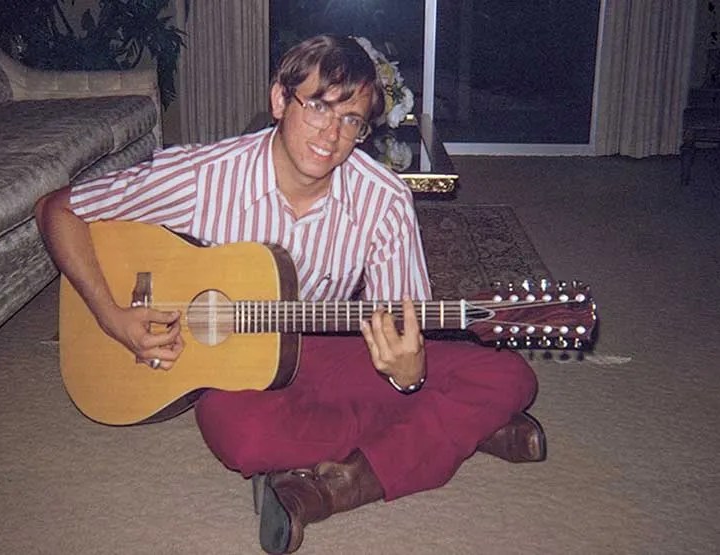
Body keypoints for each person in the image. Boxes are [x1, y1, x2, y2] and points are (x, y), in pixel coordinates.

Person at [35, 34, 545, 554]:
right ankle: (463, 432)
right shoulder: (201, 176)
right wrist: (110, 316)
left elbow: (399, 330)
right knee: (245, 439)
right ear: (280, 99)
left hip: (326, 343)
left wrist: (410, 378)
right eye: (319, 106)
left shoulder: (384, 200)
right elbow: (58, 210)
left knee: (509, 376)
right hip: (234, 370)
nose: (332, 134)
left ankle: (332, 488)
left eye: (352, 121)